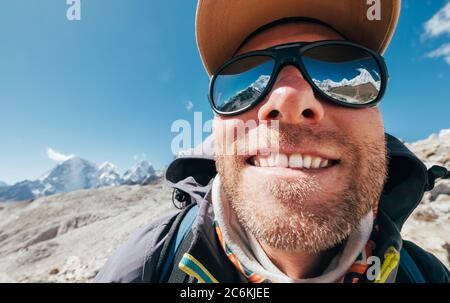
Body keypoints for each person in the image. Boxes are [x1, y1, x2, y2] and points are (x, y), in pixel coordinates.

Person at [95, 0, 450, 283]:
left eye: (339, 75)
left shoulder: (426, 276)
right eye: (244, 83)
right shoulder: (145, 266)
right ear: (217, 129)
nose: (288, 99)